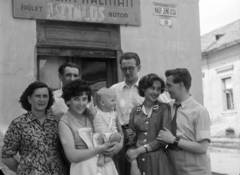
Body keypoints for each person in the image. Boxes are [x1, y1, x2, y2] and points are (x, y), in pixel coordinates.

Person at [110, 52, 169, 175]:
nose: (127, 72)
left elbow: (169, 108)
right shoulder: (114, 90)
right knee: (122, 170)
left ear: (139, 68)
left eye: (131, 68)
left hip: (147, 137)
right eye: (124, 68)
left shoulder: (150, 88)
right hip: (122, 135)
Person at [1, 81, 68, 175]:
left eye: (45, 96)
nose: (42, 99)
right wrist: (24, 170)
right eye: (37, 96)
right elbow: (6, 156)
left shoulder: (58, 121)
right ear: (29, 99)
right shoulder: (19, 124)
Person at [157, 68, 211, 175]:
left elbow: (202, 148)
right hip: (172, 167)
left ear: (181, 85)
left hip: (195, 170)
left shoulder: (199, 111)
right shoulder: (168, 107)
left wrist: (174, 140)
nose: (166, 89)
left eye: (169, 85)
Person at [58, 79, 114, 175]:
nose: (81, 103)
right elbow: (72, 156)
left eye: (84, 99)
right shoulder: (64, 122)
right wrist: (100, 149)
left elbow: (109, 131)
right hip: (83, 169)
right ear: (68, 101)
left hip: (104, 165)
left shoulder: (92, 115)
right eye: (76, 99)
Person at [126, 73, 172, 175]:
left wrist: (138, 151)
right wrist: (133, 164)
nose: (156, 92)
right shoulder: (135, 111)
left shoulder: (164, 108)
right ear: (143, 88)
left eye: (158, 89)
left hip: (158, 160)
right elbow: (131, 141)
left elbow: (163, 140)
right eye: (152, 88)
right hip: (138, 161)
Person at [91, 87, 123, 171]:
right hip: (99, 137)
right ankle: (101, 155)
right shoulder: (95, 112)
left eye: (115, 100)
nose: (115, 103)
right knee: (97, 136)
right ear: (102, 102)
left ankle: (107, 155)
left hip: (111, 137)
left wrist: (120, 135)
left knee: (117, 135)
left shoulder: (115, 114)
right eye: (112, 100)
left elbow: (120, 130)